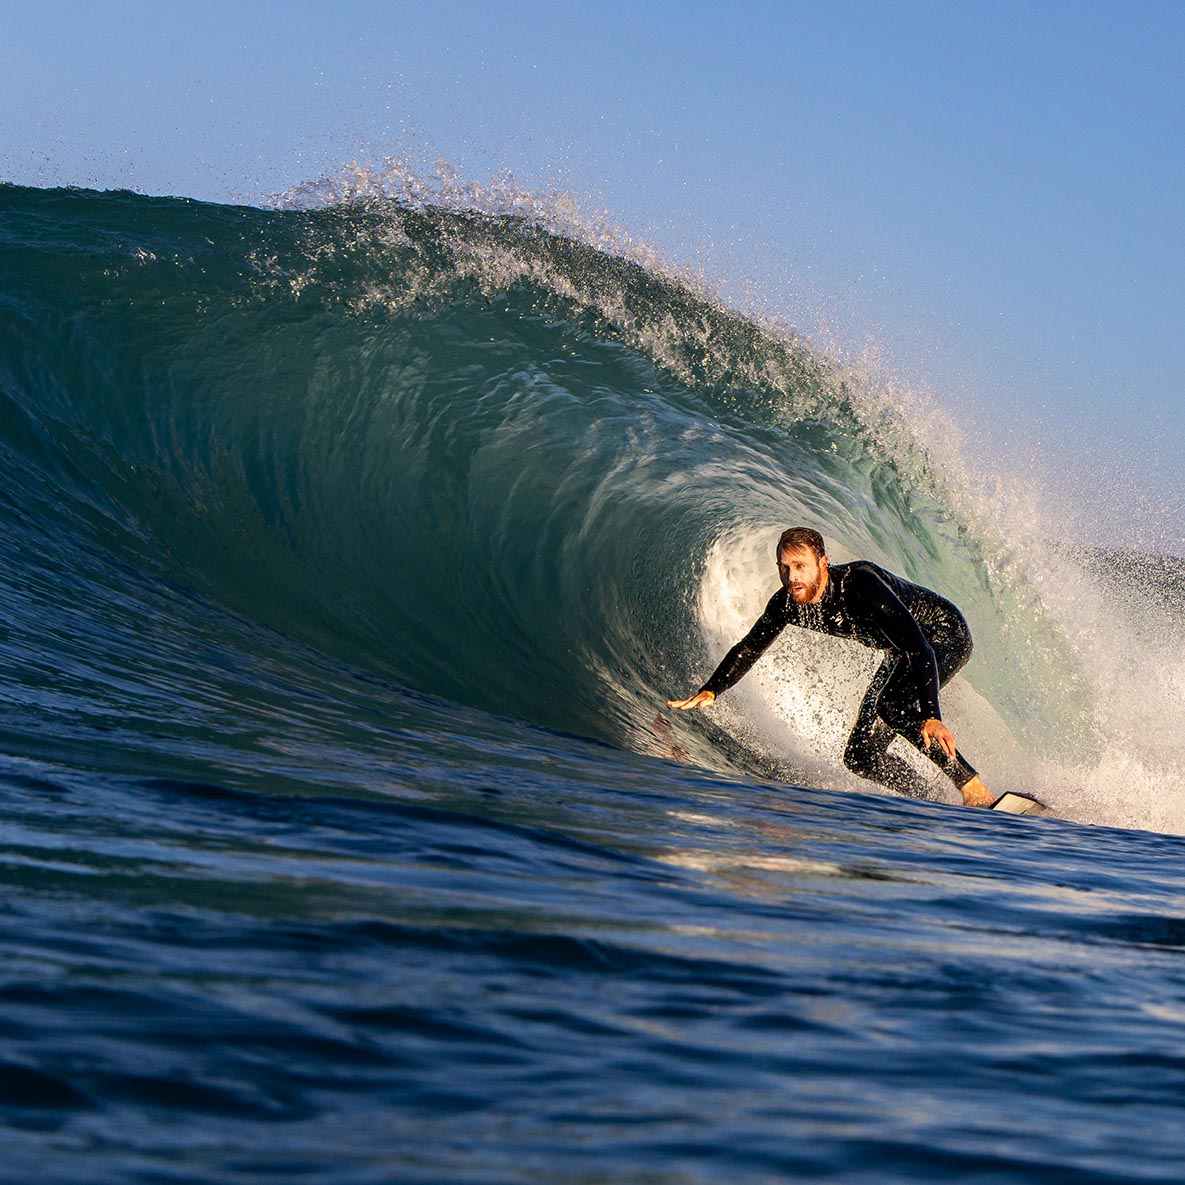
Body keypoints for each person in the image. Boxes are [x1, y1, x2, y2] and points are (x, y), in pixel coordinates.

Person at [667, 527, 996, 807]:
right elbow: (750, 647)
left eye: (800, 566)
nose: (792, 577)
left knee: (892, 704)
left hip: (942, 633)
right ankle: (929, 798)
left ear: (823, 564)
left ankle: (972, 787)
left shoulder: (861, 587)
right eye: (784, 568)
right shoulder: (787, 604)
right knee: (859, 755)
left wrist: (932, 715)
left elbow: (918, 647)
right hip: (900, 652)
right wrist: (713, 688)